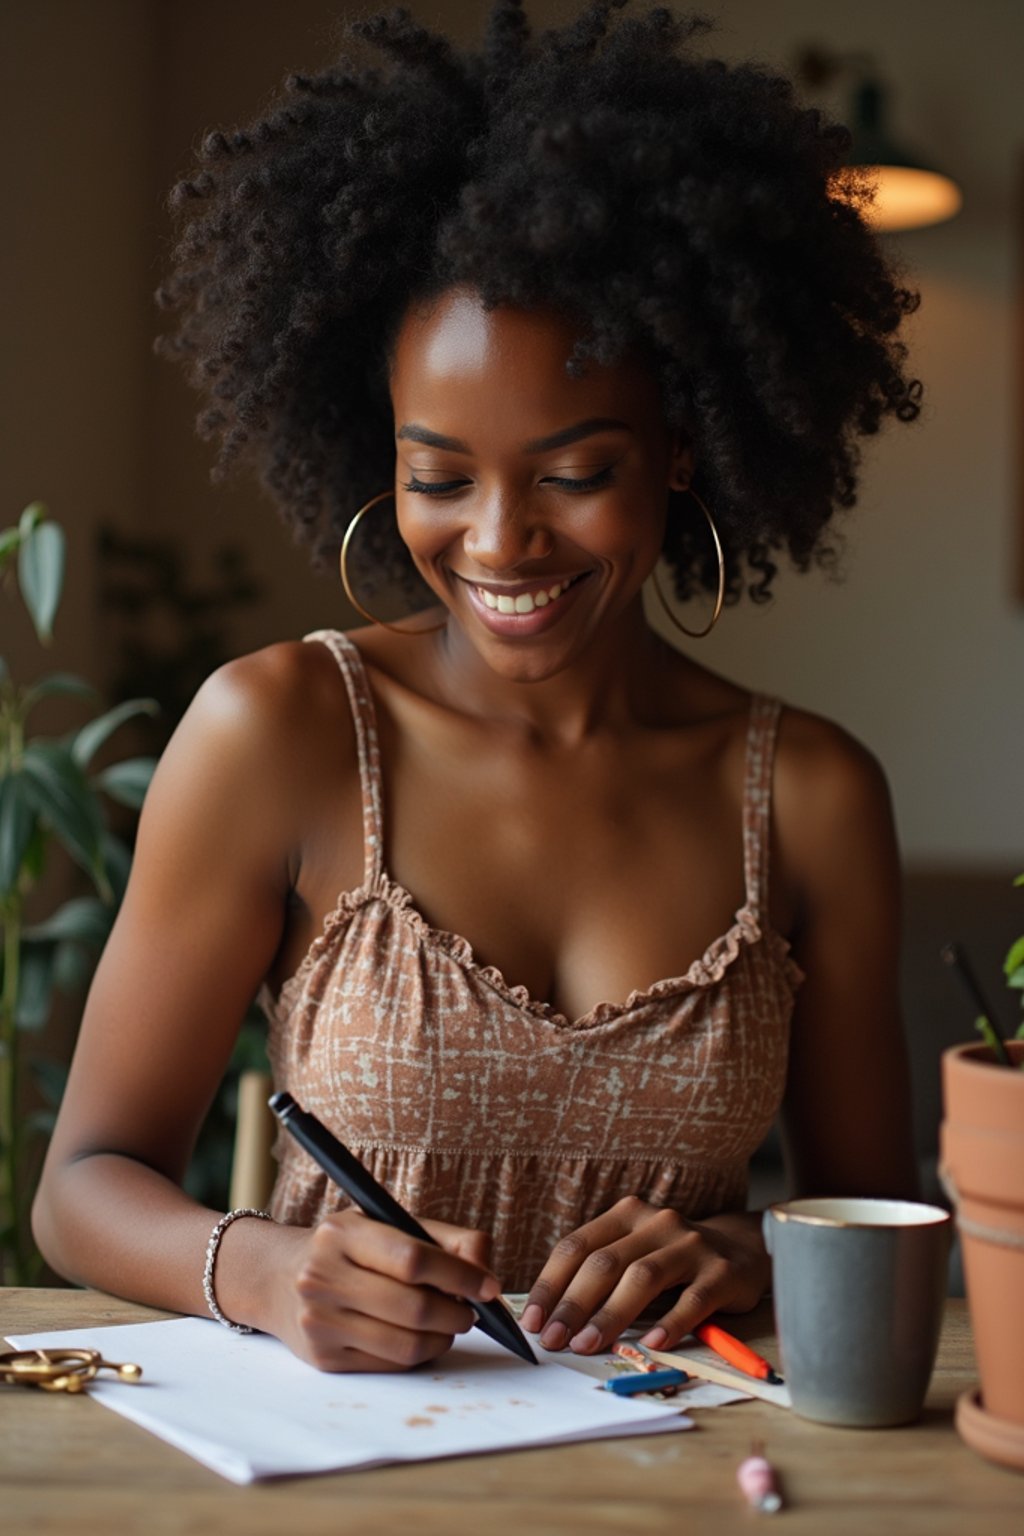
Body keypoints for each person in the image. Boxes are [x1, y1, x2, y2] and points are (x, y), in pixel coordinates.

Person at [33, 0, 921, 1374]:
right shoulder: (280, 733)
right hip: (343, 1475)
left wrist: (747, 1250)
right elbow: (81, 1188)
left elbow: (879, 1218)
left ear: (682, 447)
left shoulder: (808, 795)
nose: (500, 542)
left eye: (576, 474)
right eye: (439, 477)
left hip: (686, 1474)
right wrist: (268, 1272)